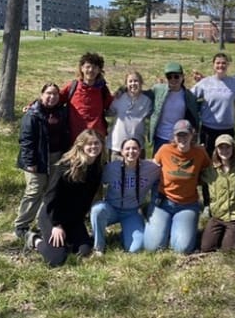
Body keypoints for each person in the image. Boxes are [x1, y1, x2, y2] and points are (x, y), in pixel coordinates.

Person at [30, 129, 105, 267]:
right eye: (89, 144)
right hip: (52, 215)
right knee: (56, 259)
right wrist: (56, 225)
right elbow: (50, 197)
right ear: (81, 146)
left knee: (84, 250)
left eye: (97, 143)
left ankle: (65, 240)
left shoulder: (97, 168)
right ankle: (35, 239)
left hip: (73, 219)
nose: (94, 147)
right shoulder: (66, 166)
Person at [143, 120, 211, 254]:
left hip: (187, 204)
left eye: (185, 135)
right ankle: (151, 212)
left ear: (192, 135)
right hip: (163, 202)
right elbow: (152, 168)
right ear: (174, 136)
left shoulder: (200, 153)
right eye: (179, 135)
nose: (182, 138)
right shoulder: (164, 150)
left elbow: (209, 171)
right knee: (152, 247)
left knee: (182, 249)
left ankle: (175, 227)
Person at [14, 82, 70, 240]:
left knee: (51, 192)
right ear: (41, 95)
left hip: (57, 157)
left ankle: (44, 222)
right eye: (48, 93)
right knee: (34, 191)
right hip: (38, 159)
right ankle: (21, 225)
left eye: (55, 94)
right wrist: (30, 162)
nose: (51, 97)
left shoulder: (62, 112)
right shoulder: (33, 114)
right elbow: (26, 141)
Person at [90, 137, 161, 255]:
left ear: (140, 151)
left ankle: (126, 233)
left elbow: (167, 170)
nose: (131, 151)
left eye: (135, 148)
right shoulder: (111, 168)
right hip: (111, 208)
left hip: (132, 213)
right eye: (127, 148)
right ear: (121, 152)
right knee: (97, 209)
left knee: (136, 249)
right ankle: (99, 247)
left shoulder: (151, 168)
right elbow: (95, 183)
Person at [199, 134, 235, 252]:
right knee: (206, 248)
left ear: (233, 148)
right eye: (220, 148)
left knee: (228, 251)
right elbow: (193, 179)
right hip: (218, 216)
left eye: (227, 147)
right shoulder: (210, 170)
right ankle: (223, 233)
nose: (224, 151)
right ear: (216, 150)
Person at [191, 53, 235, 157]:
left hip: (227, 129)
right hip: (208, 129)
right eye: (218, 63)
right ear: (213, 65)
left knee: (226, 159)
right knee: (207, 159)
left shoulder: (234, 83)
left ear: (227, 65)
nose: (220, 65)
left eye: (223, 63)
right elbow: (190, 97)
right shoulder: (205, 82)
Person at [59, 52, 113, 145]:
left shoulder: (102, 89)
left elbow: (112, 105)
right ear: (82, 68)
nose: (91, 70)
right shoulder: (73, 87)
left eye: (95, 67)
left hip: (96, 139)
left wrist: (122, 93)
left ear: (99, 70)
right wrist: (34, 105)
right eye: (88, 66)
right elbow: (54, 99)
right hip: (75, 139)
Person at [147, 62, 200, 156]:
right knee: (157, 167)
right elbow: (140, 94)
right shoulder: (158, 90)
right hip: (160, 137)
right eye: (169, 77)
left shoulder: (189, 96)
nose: (173, 79)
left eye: (176, 76)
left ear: (182, 77)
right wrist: (122, 89)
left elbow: (196, 113)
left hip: (179, 138)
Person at [105, 70, 153, 161]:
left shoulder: (147, 101)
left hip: (137, 145)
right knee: (116, 172)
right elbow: (108, 111)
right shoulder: (119, 98)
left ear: (141, 83)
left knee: (137, 172)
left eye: (136, 81)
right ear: (126, 84)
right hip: (117, 144)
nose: (133, 84)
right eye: (130, 81)